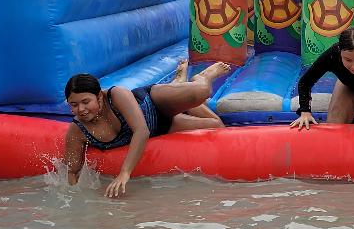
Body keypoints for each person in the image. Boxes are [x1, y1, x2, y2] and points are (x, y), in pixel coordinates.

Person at [64, 61, 230, 197]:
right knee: (217, 125)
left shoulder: (116, 96)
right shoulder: (77, 130)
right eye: (74, 105)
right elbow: (72, 171)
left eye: (86, 102)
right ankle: (180, 88)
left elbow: (141, 131)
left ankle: (202, 76)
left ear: (99, 96)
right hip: (162, 126)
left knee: (201, 91)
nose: (81, 109)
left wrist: (124, 173)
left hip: (154, 103)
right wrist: (75, 200)